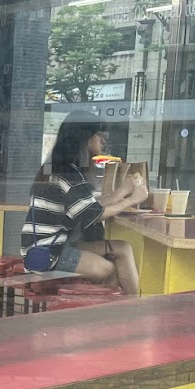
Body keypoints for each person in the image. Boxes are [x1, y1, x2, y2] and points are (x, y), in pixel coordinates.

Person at [21, 111, 148, 296]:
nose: (103, 140)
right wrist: (132, 199)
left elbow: (89, 206)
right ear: (84, 138)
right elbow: (93, 215)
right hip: (49, 253)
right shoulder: (68, 175)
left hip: (56, 245)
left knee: (123, 248)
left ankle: (133, 306)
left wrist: (122, 192)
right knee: (109, 269)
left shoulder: (62, 169)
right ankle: (103, 311)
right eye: (99, 135)